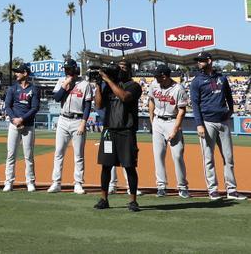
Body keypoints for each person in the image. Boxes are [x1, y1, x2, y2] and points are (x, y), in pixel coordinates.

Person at [189, 52, 243, 200]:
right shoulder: (196, 81)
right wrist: (199, 124)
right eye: (198, 61)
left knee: (228, 157)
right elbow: (195, 104)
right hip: (207, 122)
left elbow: (229, 96)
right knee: (208, 158)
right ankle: (212, 189)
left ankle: (231, 190)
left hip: (223, 121)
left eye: (201, 60)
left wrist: (230, 110)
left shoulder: (222, 78)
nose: (199, 63)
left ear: (209, 60)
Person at [93, 63, 143, 212]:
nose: (120, 70)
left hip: (126, 131)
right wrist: (98, 85)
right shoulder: (108, 85)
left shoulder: (133, 86)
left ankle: (133, 200)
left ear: (129, 70)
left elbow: (124, 97)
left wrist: (108, 81)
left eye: (123, 67)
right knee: (106, 165)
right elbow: (99, 105)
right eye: (118, 67)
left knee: (129, 166)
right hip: (109, 130)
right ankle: (104, 199)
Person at [49, 59, 92, 194]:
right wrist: (64, 86)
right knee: (59, 152)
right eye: (65, 69)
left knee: (78, 154)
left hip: (77, 120)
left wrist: (83, 123)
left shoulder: (85, 84)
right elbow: (56, 98)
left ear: (75, 69)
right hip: (63, 119)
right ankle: (56, 182)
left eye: (69, 68)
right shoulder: (62, 81)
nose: (66, 71)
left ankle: (78, 183)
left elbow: (87, 106)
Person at [147, 65, 189, 198]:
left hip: (172, 121)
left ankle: (182, 187)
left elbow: (182, 110)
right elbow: (151, 101)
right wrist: (152, 120)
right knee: (158, 155)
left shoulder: (178, 89)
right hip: (158, 122)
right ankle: (161, 186)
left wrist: (175, 129)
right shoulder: (154, 85)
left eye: (157, 76)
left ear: (164, 76)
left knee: (177, 156)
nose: (155, 78)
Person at [3, 64, 41, 192]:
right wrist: (14, 119)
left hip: (28, 125)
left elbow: (35, 108)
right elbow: (7, 106)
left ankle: (30, 181)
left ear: (25, 73)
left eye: (18, 72)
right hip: (14, 125)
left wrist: (22, 119)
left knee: (28, 155)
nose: (16, 74)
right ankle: (9, 181)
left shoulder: (34, 89)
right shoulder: (12, 88)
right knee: (11, 154)